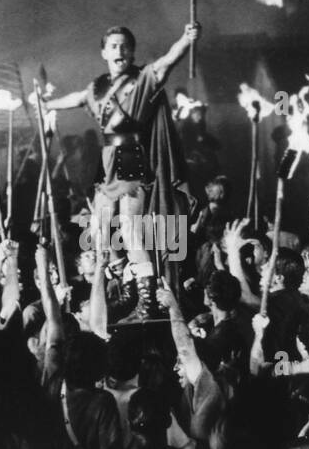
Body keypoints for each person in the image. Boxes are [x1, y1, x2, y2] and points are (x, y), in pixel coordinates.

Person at [44, 22, 198, 318]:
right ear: (104, 52)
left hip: (131, 161)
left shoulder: (141, 79)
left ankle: (145, 301)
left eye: (125, 45)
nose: (120, 50)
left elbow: (166, 62)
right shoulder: (98, 87)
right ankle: (124, 284)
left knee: (129, 229)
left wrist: (185, 40)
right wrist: (45, 103)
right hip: (107, 163)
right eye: (113, 45)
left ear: (132, 52)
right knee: (98, 229)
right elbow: (76, 99)